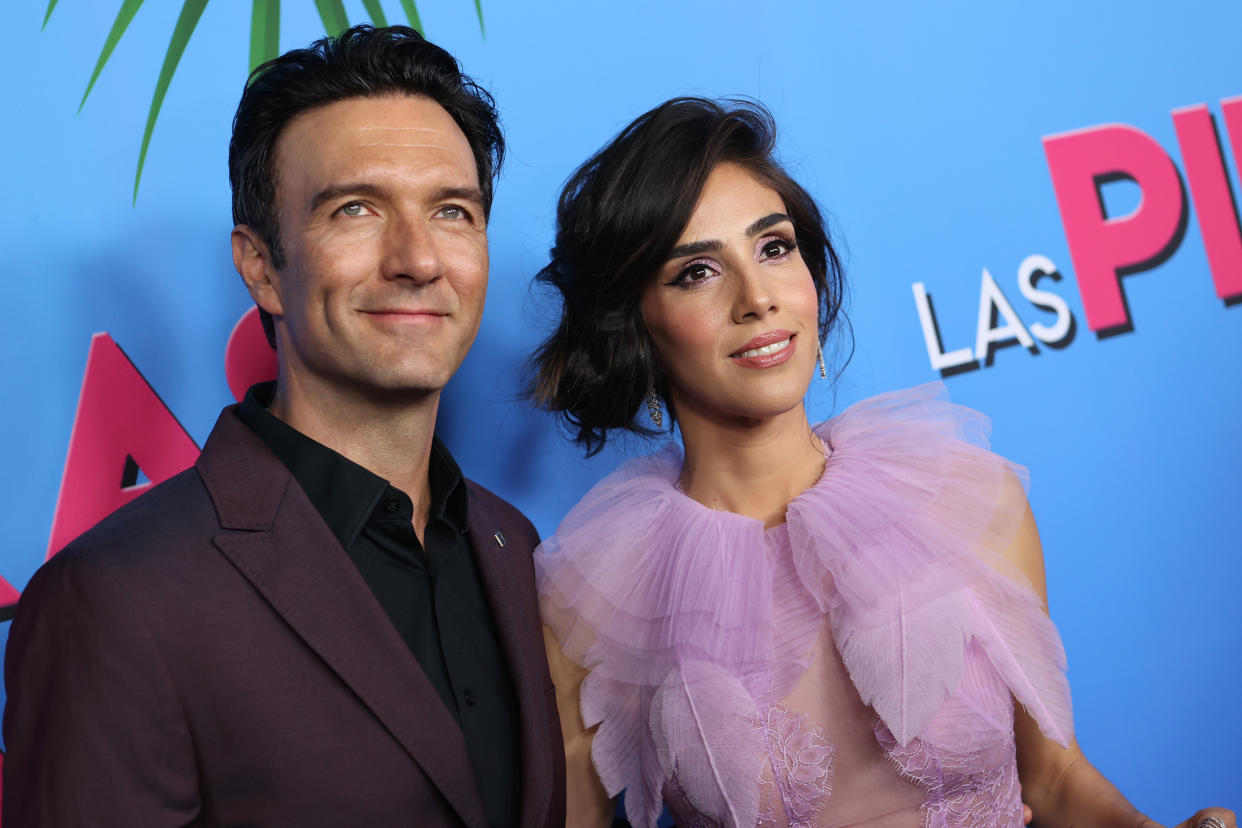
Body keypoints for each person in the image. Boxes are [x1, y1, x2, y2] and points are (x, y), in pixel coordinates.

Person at [529, 97, 1234, 828]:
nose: (759, 298)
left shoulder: (968, 497)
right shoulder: (593, 600)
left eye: (774, 248)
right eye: (698, 272)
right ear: (634, 326)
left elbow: (1053, 779)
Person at [3, 25, 565, 828]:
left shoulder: (516, 549)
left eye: (451, 211)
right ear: (262, 265)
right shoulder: (117, 599)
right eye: (356, 208)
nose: (417, 258)